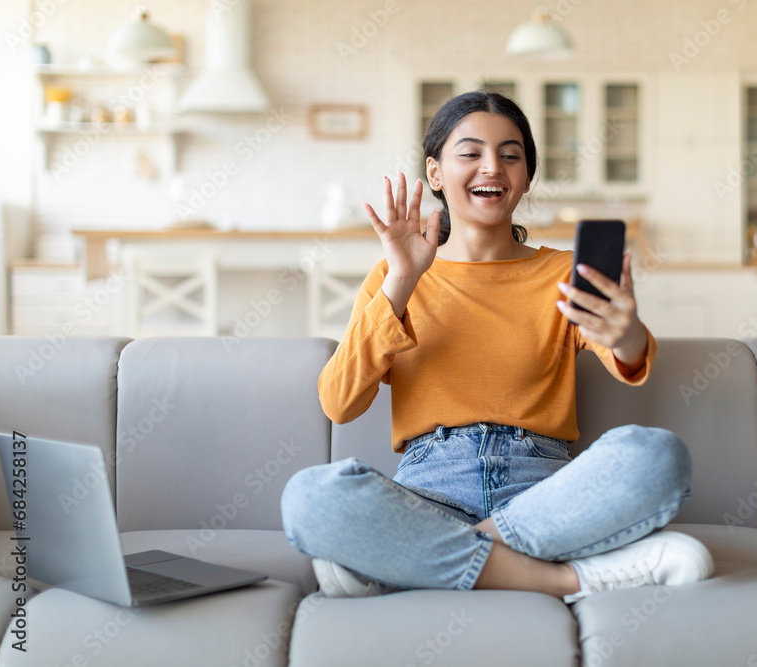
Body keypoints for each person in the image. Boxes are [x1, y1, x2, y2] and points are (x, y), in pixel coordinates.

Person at [281, 90, 713, 604]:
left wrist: (626, 333)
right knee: (309, 498)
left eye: (511, 155)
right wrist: (401, 280)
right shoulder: (393, 276)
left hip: (545, 492)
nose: (493, 167)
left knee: (659, 456)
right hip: (427, 491)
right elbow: (339, 402)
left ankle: (412, 561)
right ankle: (565, 578)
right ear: (435, 172)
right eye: (470, 153)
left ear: (526, 176)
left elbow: (627, 356)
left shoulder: (561, 273)